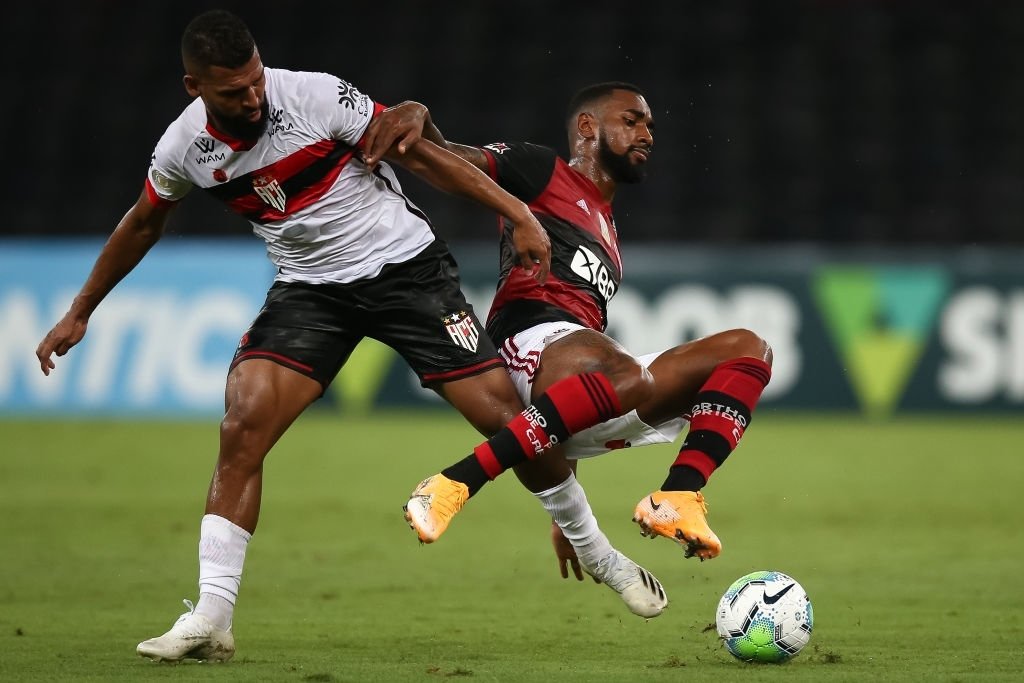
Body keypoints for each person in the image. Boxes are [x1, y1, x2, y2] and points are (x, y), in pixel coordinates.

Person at [33, 13, 666, 663]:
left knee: (504, 416)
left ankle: (602, 555)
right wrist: (81, 309)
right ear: (194, 87)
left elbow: (422, 155)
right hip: (311, 290)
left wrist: (517, 214)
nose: (253, 98)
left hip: (409, 273)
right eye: (233, 93)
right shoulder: (183, 149)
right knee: (242, 424)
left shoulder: (314, 95)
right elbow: (143, 223)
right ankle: (212, 618)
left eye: (255, 81)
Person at [370, 83, 772, 567]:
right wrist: (419, 116)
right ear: (588, 127)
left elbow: (579, 391)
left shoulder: (609, 231)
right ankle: (457, 481)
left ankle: (679, 496)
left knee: (748, 348)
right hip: (526, 344)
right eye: (632, 120)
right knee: (621, 369)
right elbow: (447, 157)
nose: (646, 133)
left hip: (583, 385)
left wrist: (565, 510)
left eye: (649, 125)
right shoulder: (542, 170)